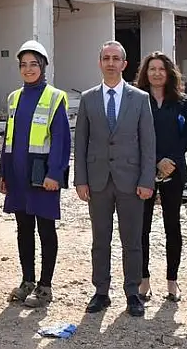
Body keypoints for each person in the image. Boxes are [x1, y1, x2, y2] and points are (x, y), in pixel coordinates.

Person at [75, 41, 156, 318]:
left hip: (131, 180)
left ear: (124, 64)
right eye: (105, 58)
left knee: (132, 240)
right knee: (100, 240)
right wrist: (80, 180)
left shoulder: (139, 98)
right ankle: (101, 291)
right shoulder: (88, 98)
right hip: (97, 181)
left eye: (115, 59)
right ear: (99, 63)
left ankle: (133, 292)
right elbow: (81, 141)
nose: (110, 63)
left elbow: (148, 142)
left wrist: (147, 179)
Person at [0, 40, 71, 308]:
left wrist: (55, 173)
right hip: (17, 176)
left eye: (33, 64)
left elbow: (62, 140)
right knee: (24, 229)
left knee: (46, 229)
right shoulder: (14, 98)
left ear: (42, 66)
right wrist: (3, 172)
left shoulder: (54, 97)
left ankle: (45, 286)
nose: (28, 69)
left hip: (42, 177)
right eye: (23, 65)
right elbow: (8, 138)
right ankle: (27, 280)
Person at [135, 50, 187, 303]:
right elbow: (133, 135)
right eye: (152, 69)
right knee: (142, 228)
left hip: (174, 171)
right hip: (144, 171)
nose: (157, 73)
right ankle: (143, 279)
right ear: (145, 73)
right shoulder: (137, 100)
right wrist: (156, 160)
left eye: (161, 69)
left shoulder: (181, 102)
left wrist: (172, 161)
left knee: (173, 227)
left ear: (169, 73)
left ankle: (172, 280)